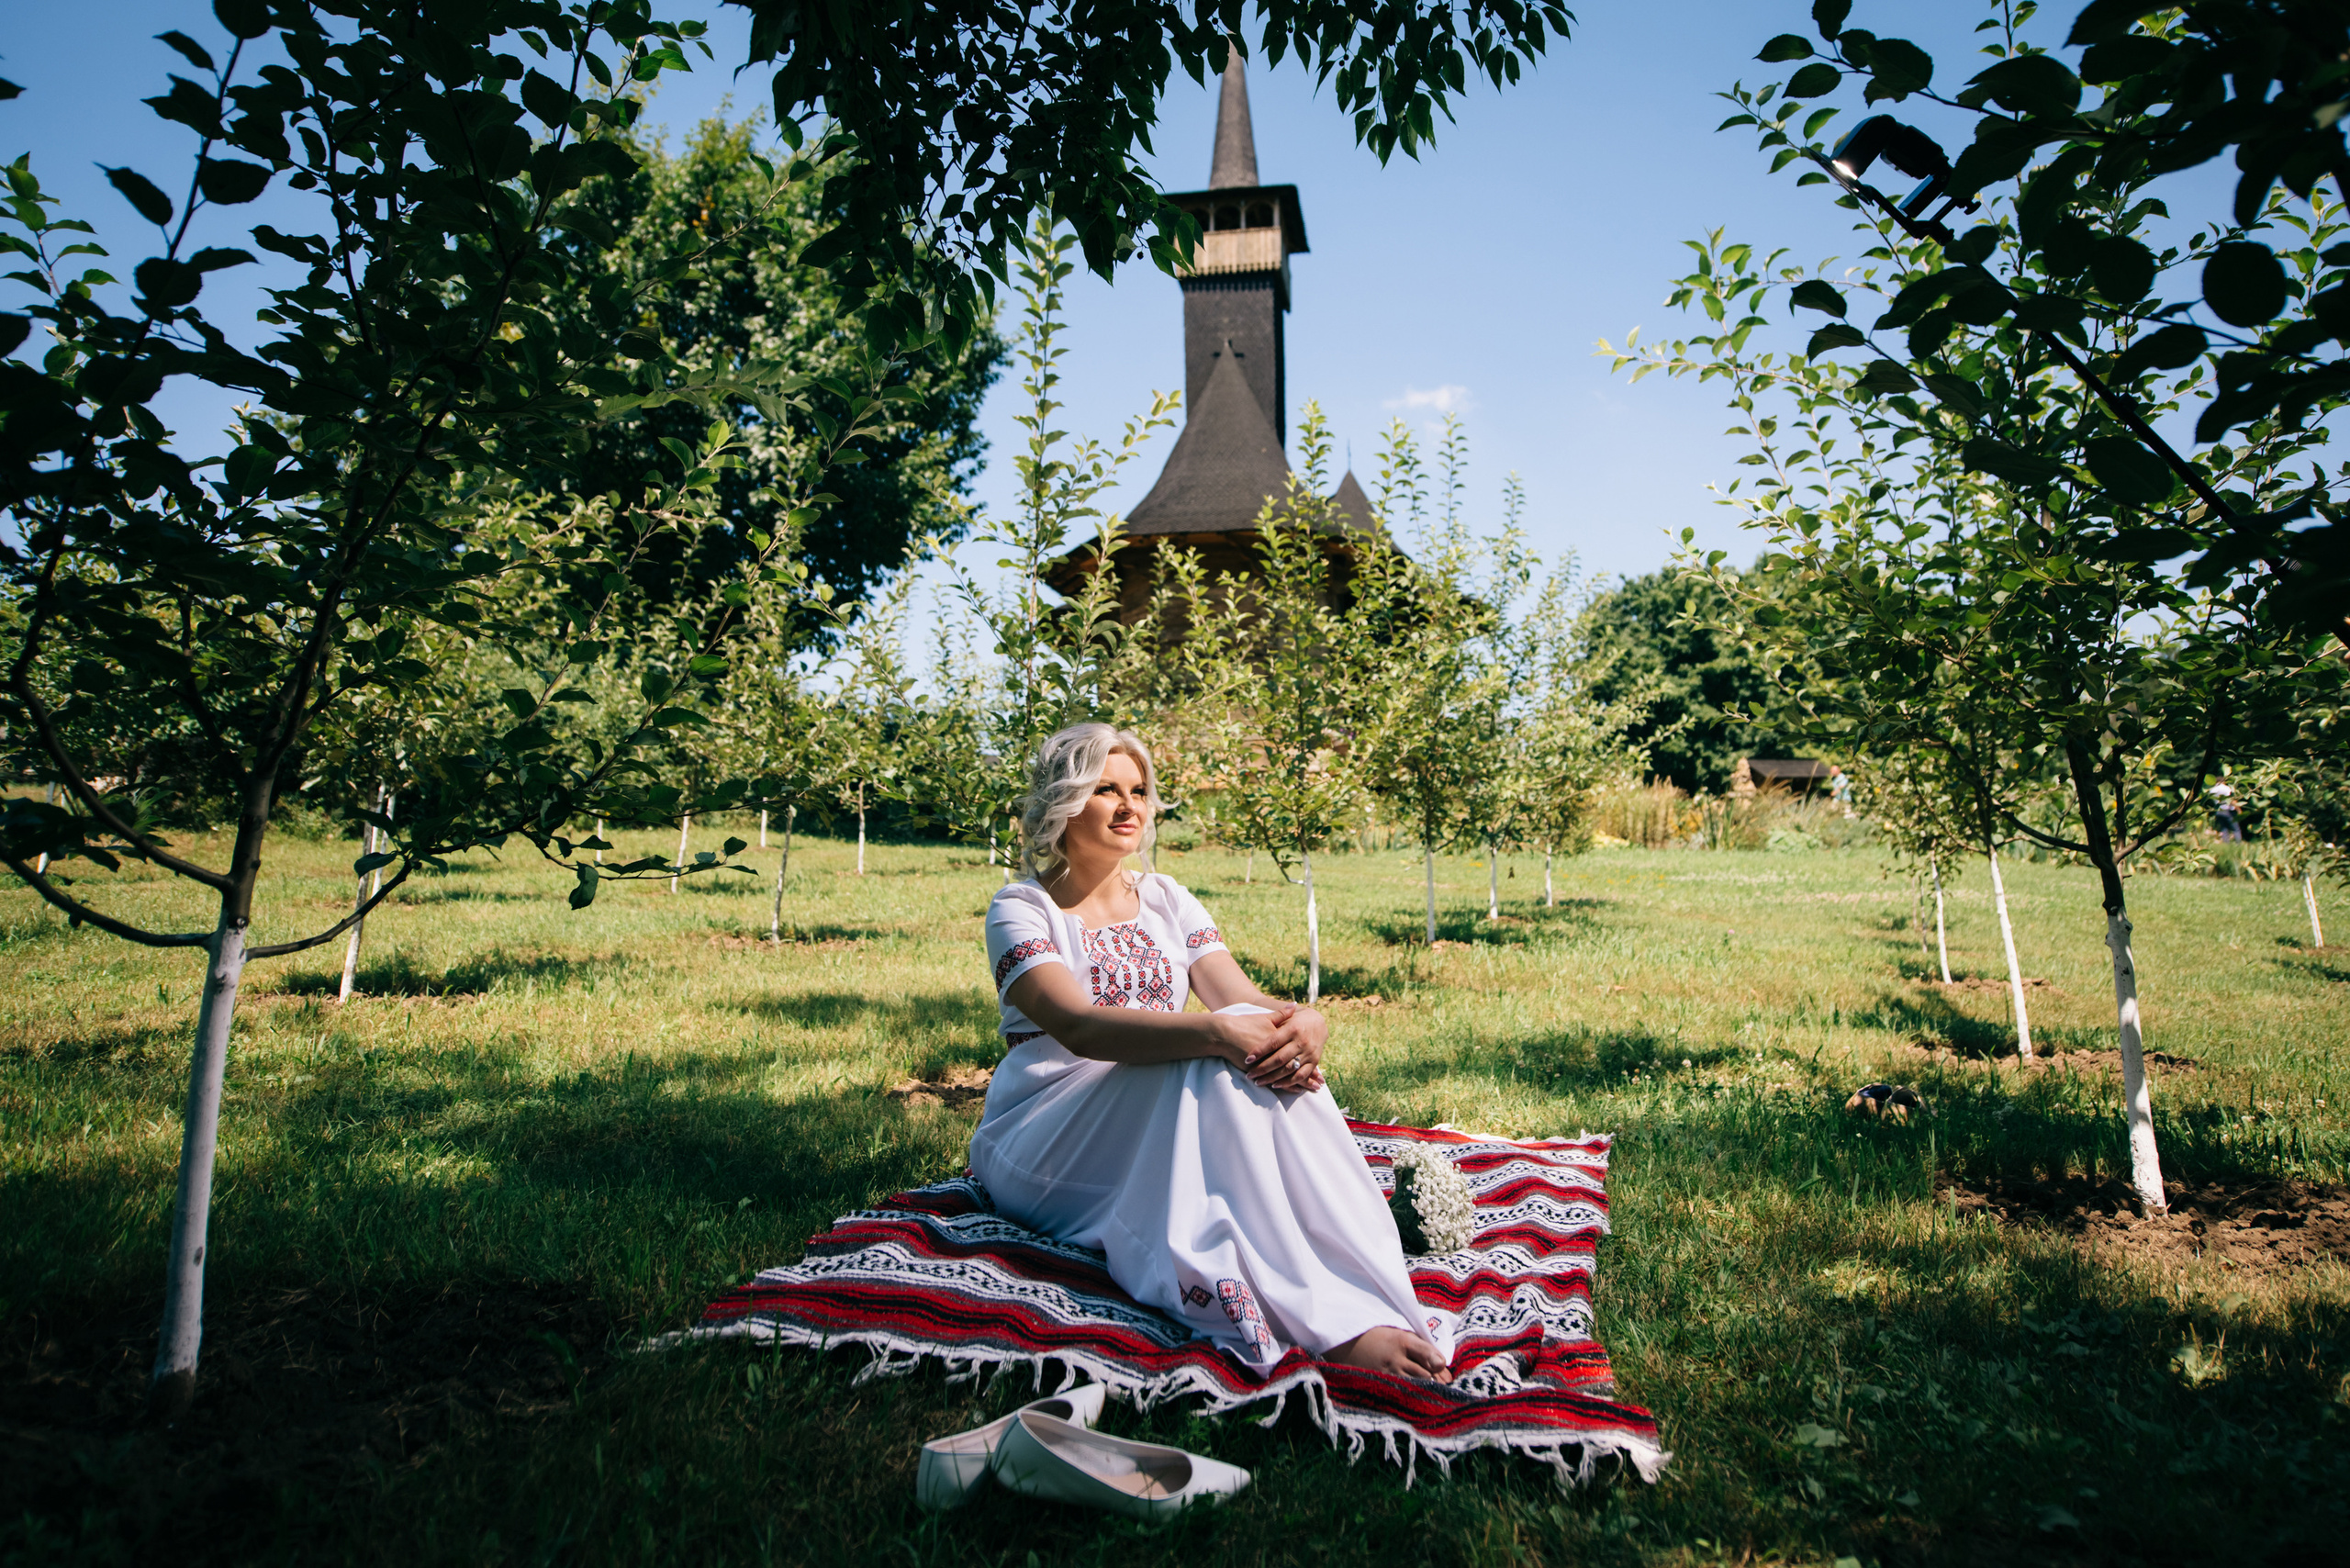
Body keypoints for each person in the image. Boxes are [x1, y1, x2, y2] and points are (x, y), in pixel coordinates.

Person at [968, 722, 1452, 1382]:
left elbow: (1240, 1000)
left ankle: (1369, 1288)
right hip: (1047, 1133)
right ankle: (1324, 1326)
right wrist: (1220, 1034)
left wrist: (1305, 1022)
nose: (1130, 806)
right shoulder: (1021, 909)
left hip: (1160, 1106)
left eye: (1138, 790)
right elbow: (1080, 1028)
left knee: (1246, 1044)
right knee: (1211, 1054)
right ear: (1064, 801)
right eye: (1106, 789)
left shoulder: (1167, 898)